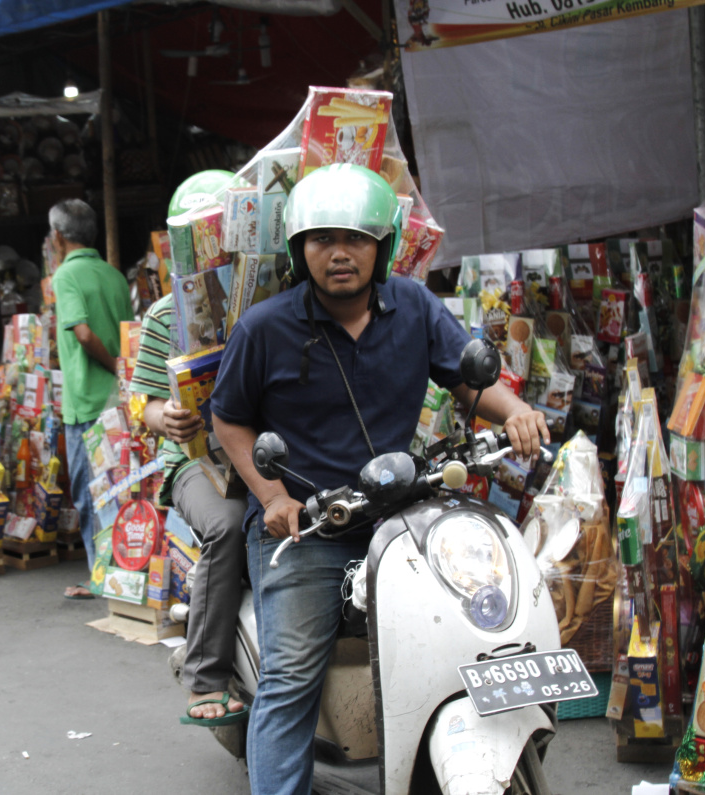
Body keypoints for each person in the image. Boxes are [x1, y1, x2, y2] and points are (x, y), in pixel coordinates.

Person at [210, 164, 549, 795]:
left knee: (469, 626)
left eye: (357, 239)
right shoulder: (265, 328)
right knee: (291, 677)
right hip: (307, 524)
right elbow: (228, 419)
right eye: (322, 240)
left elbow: (470, 378)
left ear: (382, 247)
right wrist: (272, 494)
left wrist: (518, 411)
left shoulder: (416, 306)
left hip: (401, 510)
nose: (340, 254)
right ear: (299, 250)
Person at [129, 293, 249, 725]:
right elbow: (147, 405)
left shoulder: (294, 294)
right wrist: (168, 418)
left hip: (277, 453)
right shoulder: (166, 313)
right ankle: (204, 674)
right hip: (197, 460)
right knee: (228, 525)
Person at [48, 199, 134, 600]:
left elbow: (82, 333)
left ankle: (101, 577)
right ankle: (122, 572)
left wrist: (113, 363)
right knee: (121, 488)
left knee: (89, 492)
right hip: (119, 403)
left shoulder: (65, 275)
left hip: (86, 403)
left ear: (59, 237)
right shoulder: (114, 276)